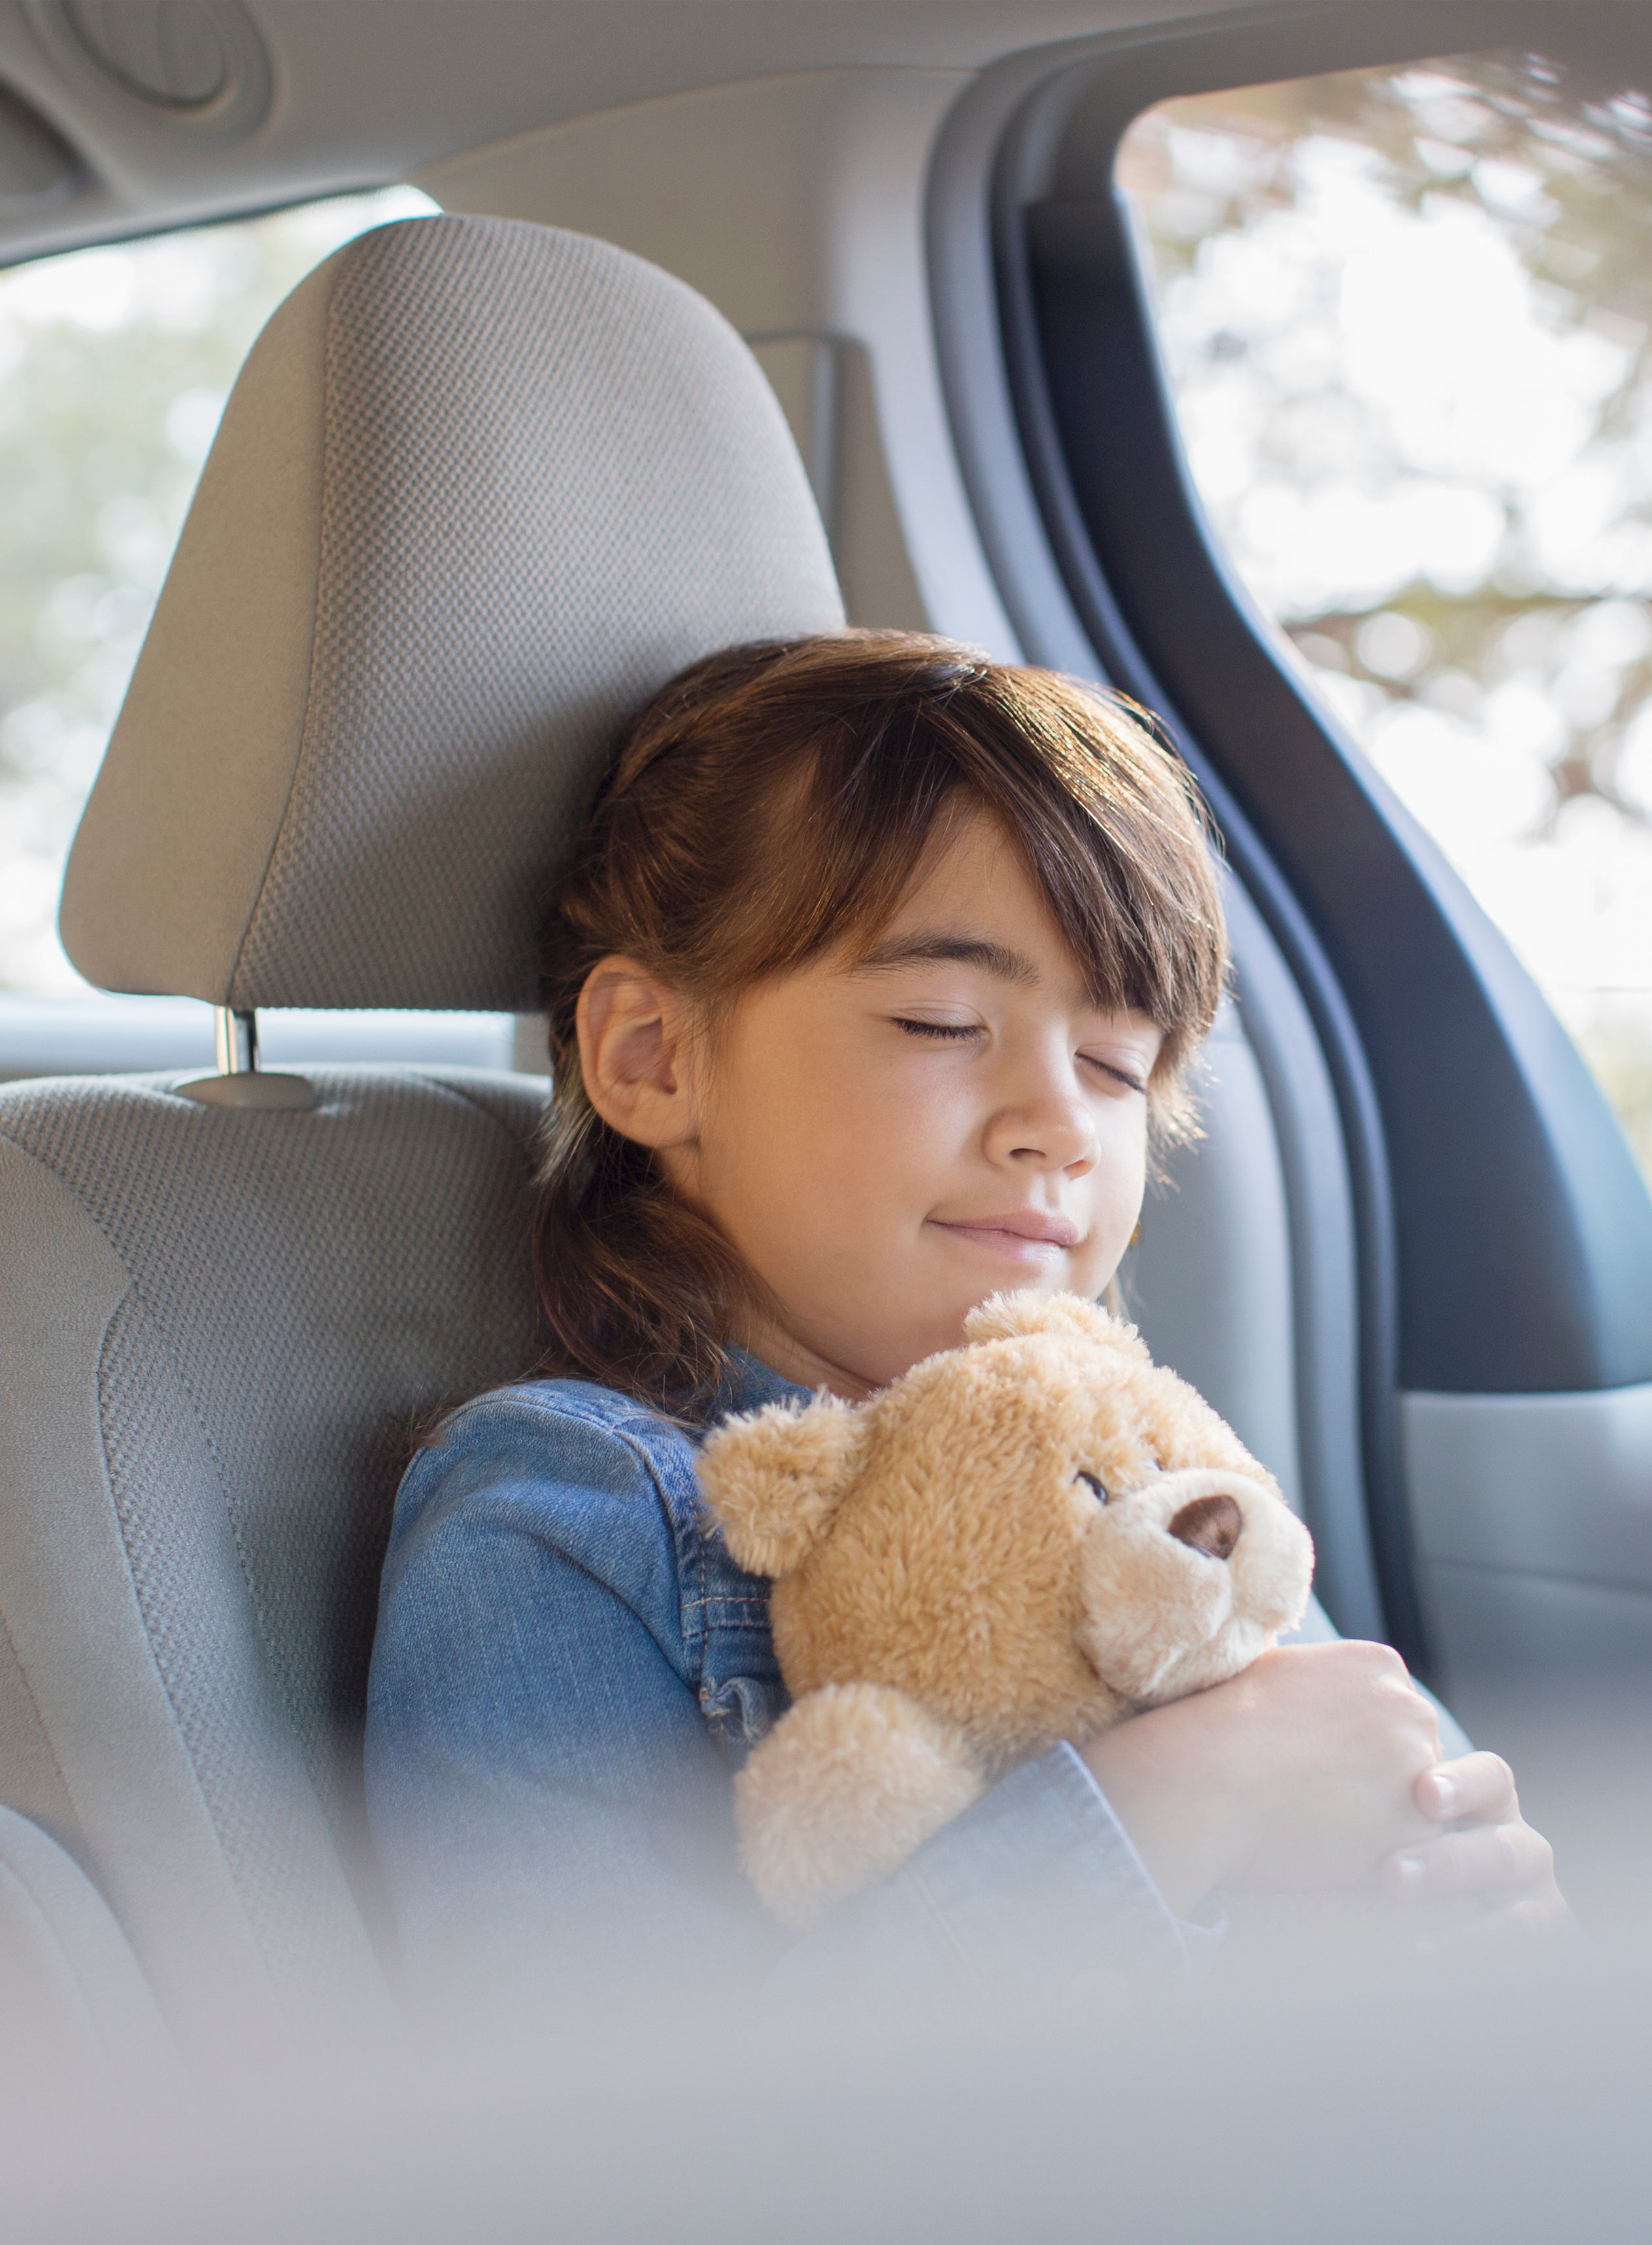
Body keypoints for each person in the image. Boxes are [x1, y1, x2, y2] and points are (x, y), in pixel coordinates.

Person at [367, 630, 1566, 2018]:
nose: (1059, 1121)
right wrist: (1167, 1804)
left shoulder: (1170, 1489)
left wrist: (1479, 1923)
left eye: (1119, 1063)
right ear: (653, 1053)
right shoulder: (578, 1516)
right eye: (942, 1019)